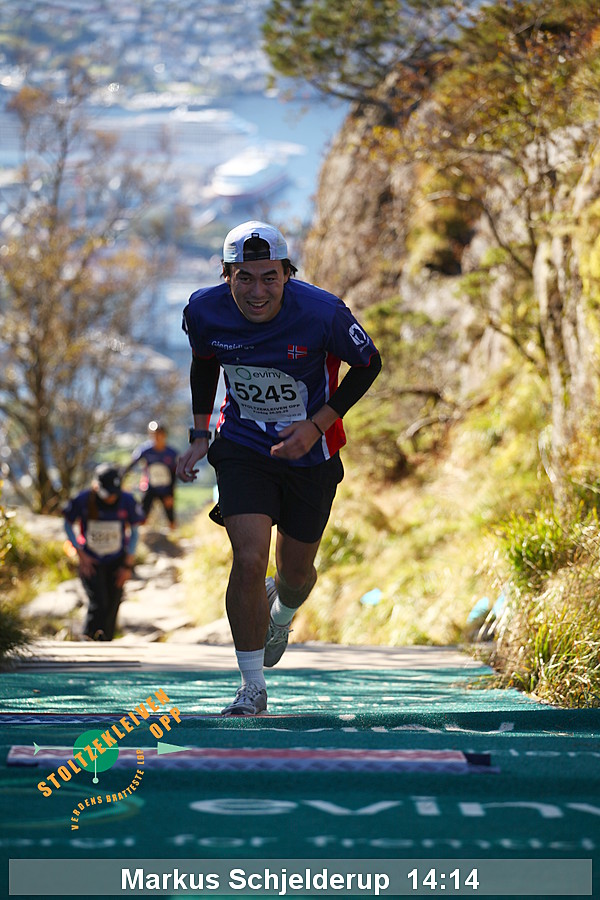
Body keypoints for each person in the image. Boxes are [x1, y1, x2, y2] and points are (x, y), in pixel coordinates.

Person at [176, 220, 382, 716]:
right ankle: (252, 688)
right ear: (226, 275)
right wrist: (200, 436)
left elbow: (368, 363)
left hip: (312, 454)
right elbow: (204, 361)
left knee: (295, 574)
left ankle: (282, 612)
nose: (257, 291)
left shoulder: (323, 312)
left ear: (287, 274)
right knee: (249, 559)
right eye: (244, 278)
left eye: (269, 277)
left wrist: (316, 424)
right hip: (244, 446)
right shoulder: (203, 310)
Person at [63, 463, 144, 641]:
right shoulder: (83, 500)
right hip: (91, 560)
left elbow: (135, 532)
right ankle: (87, 642)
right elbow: (67, 524)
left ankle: (106, 644)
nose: (111, 498)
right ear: (96, 486)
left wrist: (127, 565)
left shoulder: (127, 501)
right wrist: (81, 555)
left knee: (112, 605)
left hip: (117, 560)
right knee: (98, 603)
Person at [123, 421, 179, 529]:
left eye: (159, 434)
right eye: (153, 434)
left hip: (166, 488)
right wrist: (122, 480)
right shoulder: (144, 450)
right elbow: (131, 465)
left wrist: (171, 493)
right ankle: (140, 535)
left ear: (164, 435)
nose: (156, 437)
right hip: (150, 487)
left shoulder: (171, 453)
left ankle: (173, 534)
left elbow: (174, 474)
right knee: (142, 514)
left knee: (170, 516)